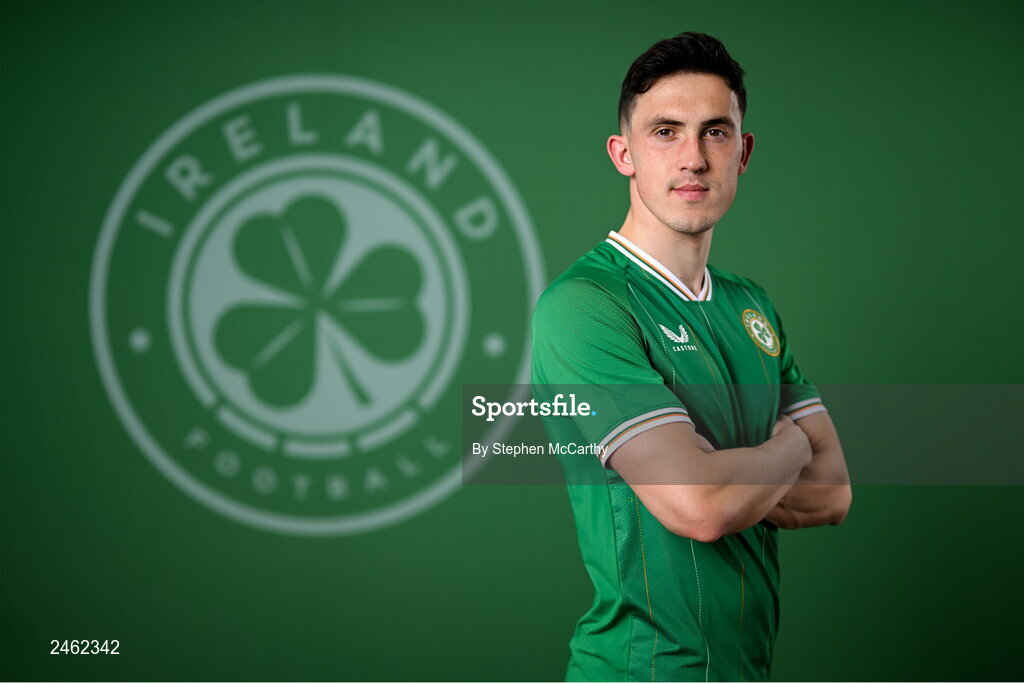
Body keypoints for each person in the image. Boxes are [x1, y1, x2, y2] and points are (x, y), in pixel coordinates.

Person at [530, 32, 852, 682]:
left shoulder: (749, 305)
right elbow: (700, 507)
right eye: (666, 132)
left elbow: (835, 492)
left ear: (744, 150)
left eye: (715, 132)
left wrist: (728, 476)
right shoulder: (586, 305)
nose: (694, 158)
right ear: (624, 153)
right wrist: (788, 446)